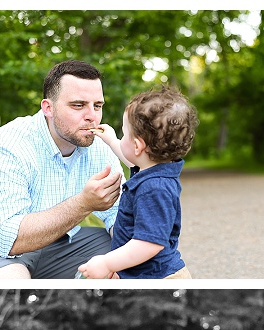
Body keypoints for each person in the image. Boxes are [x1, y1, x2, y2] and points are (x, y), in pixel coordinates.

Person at [0, 60, 125, 279]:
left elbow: (120, 216)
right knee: (11, 282)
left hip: (60, 245)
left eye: (97, 106)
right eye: (78, 105)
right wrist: (84, 204)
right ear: (48, 108)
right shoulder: (8, 145)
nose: (91, 116)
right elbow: (8, 240)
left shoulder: (100, 146)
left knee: (142, 259)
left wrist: (124, 260)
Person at [77, 86, 197, 279]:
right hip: (141, 273)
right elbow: (132, 158)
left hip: (159, 278)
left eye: (124, 134)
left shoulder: (154, 188)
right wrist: (111, 140)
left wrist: (107, 263)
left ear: (137, 145)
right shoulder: (154, 170)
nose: (122, 138)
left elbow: (148, 243)